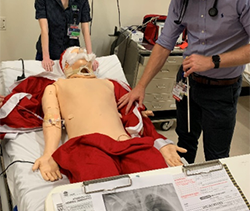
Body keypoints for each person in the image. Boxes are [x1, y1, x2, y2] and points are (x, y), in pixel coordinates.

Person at [118, 0, 250, 164]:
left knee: (216, 157)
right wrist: (141, 86)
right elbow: (164, 43)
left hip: (222, 90)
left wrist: (213, 61)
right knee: (183, 145)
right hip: (188, 85)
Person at [32, 47, 186, 183]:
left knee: (158, 181)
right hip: (88, 144)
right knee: (104, 191)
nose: (83, 54)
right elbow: (52, 120)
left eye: (84, 52)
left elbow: (132, 113)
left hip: (126, 143)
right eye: (77, 53)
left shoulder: (111, 84)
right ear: (65, 65)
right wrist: (49, 155)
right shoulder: (57, 86)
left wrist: (160, 142)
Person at [35, 0, 98, 72]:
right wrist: (46, 57)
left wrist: (90, 56)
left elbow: (85, 28)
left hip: (72, 54)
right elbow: (44, 29)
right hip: (49, 51)